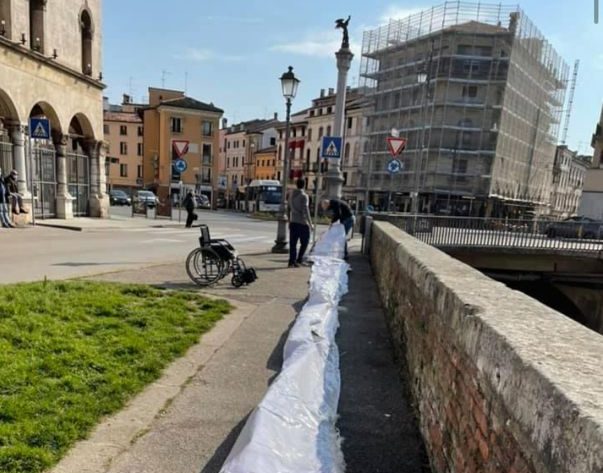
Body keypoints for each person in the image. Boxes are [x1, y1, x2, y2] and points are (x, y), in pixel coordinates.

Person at [288, 178, 313, 268]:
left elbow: (289, 208)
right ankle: (299, 259)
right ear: (304, 185)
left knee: (293, 243)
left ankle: (291, 261)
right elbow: (305, 210)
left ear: (296, 184)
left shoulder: (291, 195)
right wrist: (310, 223)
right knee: (305, 242)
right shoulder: (304, 196)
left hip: (293, 222)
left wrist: (289, 220)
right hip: (302, 223)